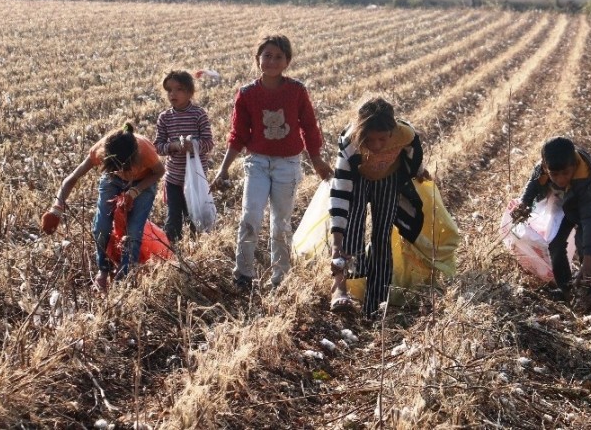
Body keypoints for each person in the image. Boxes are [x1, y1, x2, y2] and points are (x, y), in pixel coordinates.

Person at [211, 34, 333, 291]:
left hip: (287, 164)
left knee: (281, 222)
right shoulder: (246, 94)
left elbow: (309, 128)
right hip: (257, 162)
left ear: (287, 61)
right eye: (267, 55)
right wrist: (223, 169)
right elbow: (238, 135)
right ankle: (243, 273)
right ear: (258, 59)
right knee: (250, 217)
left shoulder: (297, 91)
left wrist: (317, 159)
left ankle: (281, 276)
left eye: (278, 56)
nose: (272, 61)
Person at [328, 97, 430, 318]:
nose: (376, 146)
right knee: (351, 230)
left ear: (392, 132)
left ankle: (376, 304)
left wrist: (419, 169)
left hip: (389, 179)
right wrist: (336, 241)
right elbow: (340, 193)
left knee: (382, 237)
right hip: (358, 178)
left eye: (382, 139)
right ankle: (340, 290)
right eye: (369, 140)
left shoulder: (405, 134)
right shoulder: (350, 143)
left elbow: (413, 154)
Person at [41, 123, 165, 291]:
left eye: (126, 169)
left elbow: (160, 171)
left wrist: (135, 191)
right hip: (111, 181)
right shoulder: (101, 150)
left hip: (143, 183)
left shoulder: (145, 151)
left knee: (134, 231)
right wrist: (56, 208)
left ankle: (126, 275)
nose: (123, 174)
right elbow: (71, 178)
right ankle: (104, 270)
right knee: (101, 227)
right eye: (118, 169)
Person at [511, 137, 591, 308]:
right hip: (566, 206)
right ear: (546, 168)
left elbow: (590, 220)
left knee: (585, 245)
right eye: (554, 174)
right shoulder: (543, 169)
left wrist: (587, 259)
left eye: (566, 173)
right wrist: (524, 204)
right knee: (555, 244)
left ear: (573, 165)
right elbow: (533, 185)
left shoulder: (586, 180)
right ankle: (566, 288)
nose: (560, 179)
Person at [154, 70, 214, 243]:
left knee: (194, 215)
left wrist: (194, 145)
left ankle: (194, 249)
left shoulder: (198, 114)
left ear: (190, 92)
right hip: (173, 179)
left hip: (195, 179)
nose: (173, 94)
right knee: (173, 218)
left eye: (178, 89)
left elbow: (209, 143)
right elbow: (157, 146)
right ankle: (172, 250)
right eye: (169, 90)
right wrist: (172, 146)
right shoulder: (164, 118)